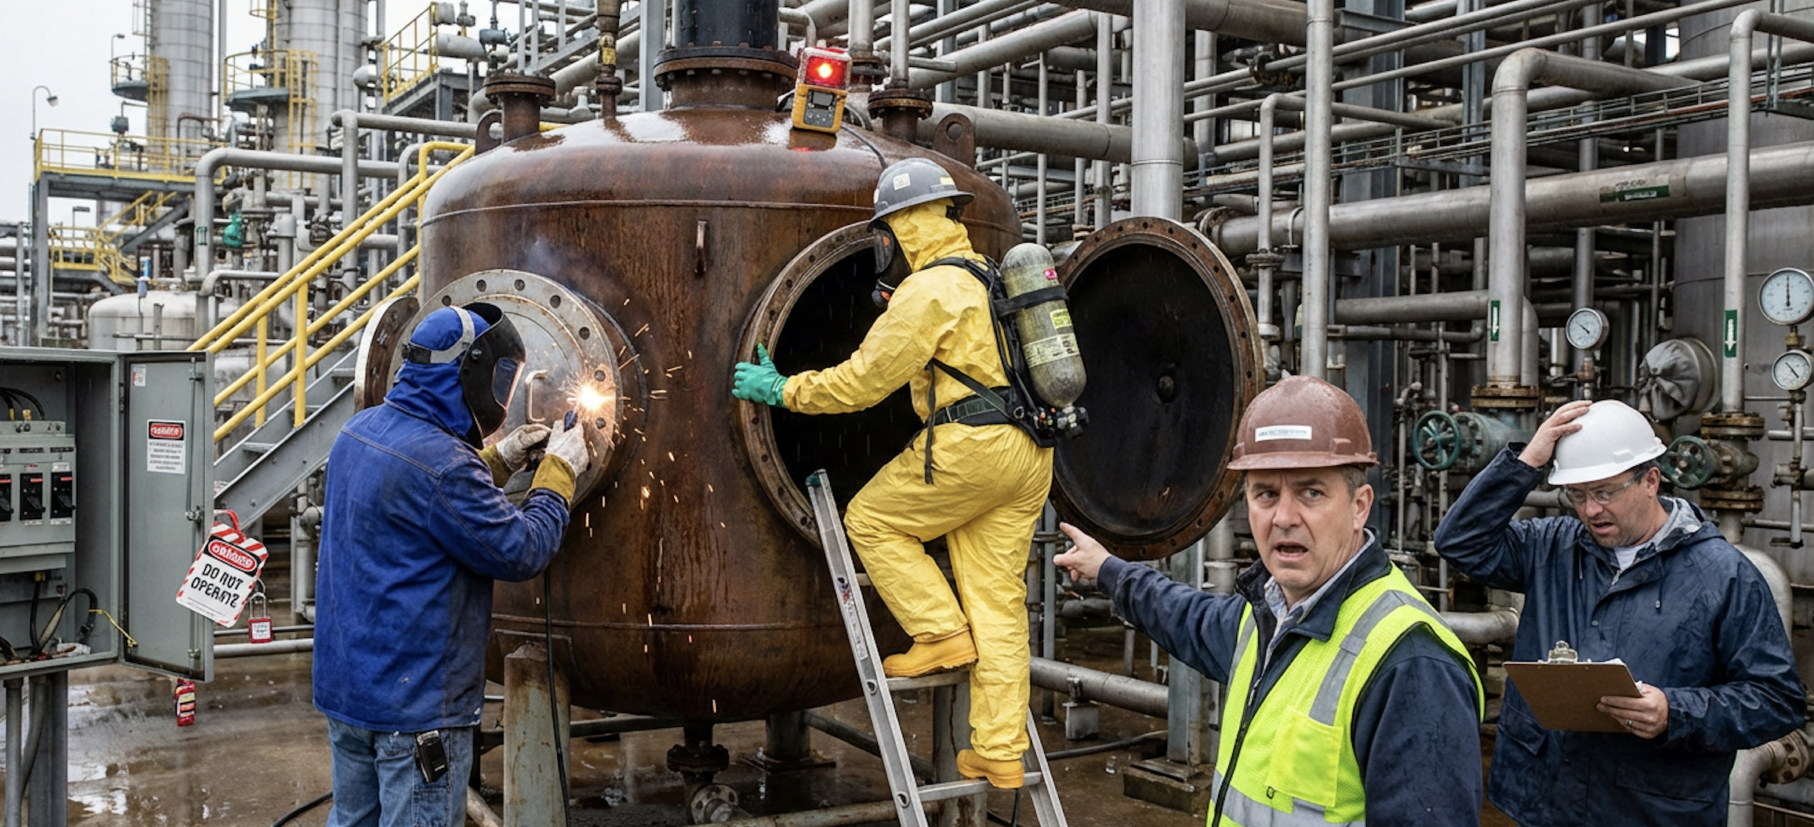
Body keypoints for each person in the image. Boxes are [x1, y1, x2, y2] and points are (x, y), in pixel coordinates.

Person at [730, 157, 1052, 788]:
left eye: (885, 233)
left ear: (902, 227)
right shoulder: (988, 277)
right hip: (1030, 452)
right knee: (1000, 604)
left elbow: (863, 382)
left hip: (970, 447)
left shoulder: (927, 291)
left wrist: (782, 390)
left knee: (871, 520)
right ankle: (1001, 750)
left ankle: (937, 630)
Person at [1055, 375, 1485, 827]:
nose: (1283, 517)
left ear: (1360, 506)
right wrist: (1107, 568)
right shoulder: (1264, 617)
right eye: (1266, 494)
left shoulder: (1411, 666)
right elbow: (1185, 616)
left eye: (1310, 492)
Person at [1433, 399, 1803, 824]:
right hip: (1545, 802)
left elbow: (1777, 699)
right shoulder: (1553, 546)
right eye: (1577, 495)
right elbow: (1459, 541)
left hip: (1649, 810)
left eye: (1605, 492)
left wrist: (1674, 712)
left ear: (1651, 480)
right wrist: (1527, 461)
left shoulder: (1722, 575)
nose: (1591, 510)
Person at [314, 303, 592, 827]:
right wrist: (559, 473)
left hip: (349, 694)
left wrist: (501, 457)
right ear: (470, 373)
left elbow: (412, 490)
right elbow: (522, 549)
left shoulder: (360, 431)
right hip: (415, 709)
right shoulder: (445, 467)